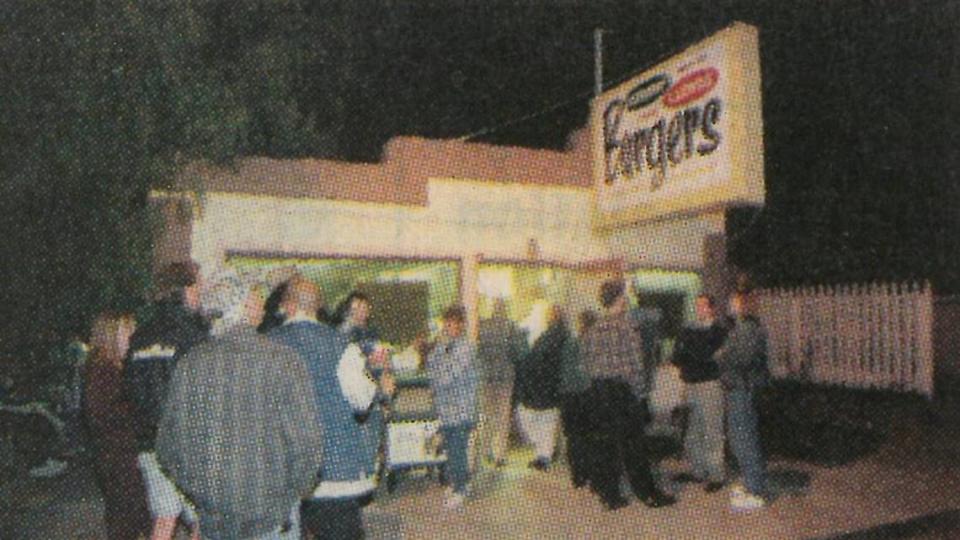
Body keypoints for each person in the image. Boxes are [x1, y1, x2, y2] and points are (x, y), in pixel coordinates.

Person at [156, 272, 324, 540]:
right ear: (245, 306)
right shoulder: (283, 361)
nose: (262, 304)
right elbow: (308, 444)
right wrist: (289, 497)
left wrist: (201, 493)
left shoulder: (190, 364)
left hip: (214, 519)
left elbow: (168, 447)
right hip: (272, 519)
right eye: (256, 297)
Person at [271, 278, 394, 539]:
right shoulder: (339, 345)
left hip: (281, 470)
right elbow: (361, 399)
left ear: (287, 306)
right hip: (333, 473)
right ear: (318, 306)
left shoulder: (267, 344)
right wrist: (376, 378)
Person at [126, 261, 209, 540]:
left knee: (164, 518)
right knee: (203, 519)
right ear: (185, 290)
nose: (202, 292)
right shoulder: (194, 336)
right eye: (198, 286)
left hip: (149, 444)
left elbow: (130, 390)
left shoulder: (139, 337)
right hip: (187, 444)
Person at [580, 280, 676, 511]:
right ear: (620, 299)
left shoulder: (593, 329)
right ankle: (647, 494)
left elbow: (584, 365)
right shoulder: (627, 327)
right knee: (634, 445)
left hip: (598, 390)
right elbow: (636, 365)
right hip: (622, 392)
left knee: (606, 445)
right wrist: (640, 394)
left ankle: (610, 496)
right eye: (624, 297)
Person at [84, 312, 151, 540]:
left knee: (132, 518)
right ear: (111, 335)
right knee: (128, 519)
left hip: (120, 455)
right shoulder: (103, 370)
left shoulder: (113, 367)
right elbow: (102, 413)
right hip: (118, 456)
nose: (132, 338)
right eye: (127, 332)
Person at [716, 290, 771, 512]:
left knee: (743, 437)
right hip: (738, 387)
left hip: (741, 388)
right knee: (741, 436)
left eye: (733, 301)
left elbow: (741, 358)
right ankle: (751, 482)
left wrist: (722, 355)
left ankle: (755, 490)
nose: (729, 304)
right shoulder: (741, 328)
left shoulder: (747, 329)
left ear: (743, 305)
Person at [671, 293, 729, 493]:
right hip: (690, 385)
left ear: (712, 309)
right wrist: (694, 353)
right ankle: (698, 471)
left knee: (712, 431)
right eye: (697, 306)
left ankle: (716, 475)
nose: (699, 310)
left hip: (709, 386)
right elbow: (676, 357)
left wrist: (691, 352)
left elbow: (707, 357)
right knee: (693, 431)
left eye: (703, 306)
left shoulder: (719, 332)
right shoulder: (688, 329)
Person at [426, 305, 480, 510]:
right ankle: (458, 483)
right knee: (451, 449)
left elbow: (448, 375)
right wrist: (439, 351)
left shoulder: (467, 347)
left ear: (462, 325)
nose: (449, 327)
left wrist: (438, 366)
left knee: (458, 450)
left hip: (461, 410)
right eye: (447, 323)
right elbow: (431, 365)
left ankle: (461, 489)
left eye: (454, 323)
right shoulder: (444, 345)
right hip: (447, 410)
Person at [514, 304, 567, 471]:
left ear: (552, 316)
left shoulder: (548, 336)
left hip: (543, 386)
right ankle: (544, 456)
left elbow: (536, 358)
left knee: (536, 419)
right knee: (548, 423)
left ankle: (543, 455)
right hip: (554, 387)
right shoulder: (563, 335)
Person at [476, 299, 526, 467]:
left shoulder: (483, 327)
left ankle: (485, 451)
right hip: (505, 378)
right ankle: (500, 455)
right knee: (503, 417)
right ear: (506, 309)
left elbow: (478, 352)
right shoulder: (511, 327)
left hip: (487, 378)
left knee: (487, 415)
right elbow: (519, 353)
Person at [559, 310, 597, 488]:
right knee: (589, 435)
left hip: (569, 396)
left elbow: (564, 371)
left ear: (580, 323)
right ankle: (589, 472)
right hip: (588, 395)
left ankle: (577, 475)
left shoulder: (570, 343)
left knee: (573, 437)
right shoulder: (595, 345)